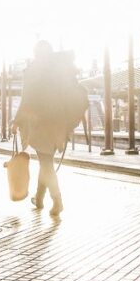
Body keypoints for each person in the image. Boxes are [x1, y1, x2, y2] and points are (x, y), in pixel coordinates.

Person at [13, 41, 88, 216]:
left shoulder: (33, 71)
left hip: (41, 125)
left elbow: (27, 99)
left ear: (35, 53)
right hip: (58, 125)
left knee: (46, 164)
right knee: (45, 161)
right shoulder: (59, 70)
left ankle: (57, 201)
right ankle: (39, 198)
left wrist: (16, 121)